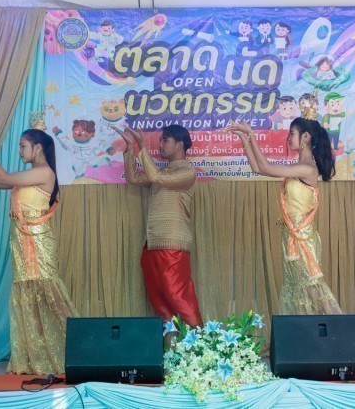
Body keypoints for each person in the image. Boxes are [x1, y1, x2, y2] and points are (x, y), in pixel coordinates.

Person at [0, 117, 77, 375]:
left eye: (23, 146)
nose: (19, 151)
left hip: (37, 242)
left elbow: (1, 176)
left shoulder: (44, 172)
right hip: (22, 241)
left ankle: (78, 351)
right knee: (29, 298)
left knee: (46, 295)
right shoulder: (29, 175)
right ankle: (37, 357)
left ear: (38, 148)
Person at [226, 102, 343, 315]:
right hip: (290, 237)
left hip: (303, 239)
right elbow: (258, 168)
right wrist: (245, 139)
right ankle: (303, 332)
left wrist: (251, 134)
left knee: (312, 289)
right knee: (297, 289)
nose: (288, 138)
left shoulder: (307, 168)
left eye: (292, 133)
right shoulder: (298, 167)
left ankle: (335, 329)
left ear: (306, 137)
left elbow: (266, 167)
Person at [114, 123, 203, 327]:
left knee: (179, 299)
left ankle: (203, 344)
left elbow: (156, 177)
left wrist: (142, 146)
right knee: (161, 304)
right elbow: (133, 177)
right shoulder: (163, 172)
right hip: (151, 245)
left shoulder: (187, 171)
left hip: (172, 245)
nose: (160, 144)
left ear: (180, 145)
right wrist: (130, 148)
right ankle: (172, 345)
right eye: (160, 140)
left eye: (165, 140)